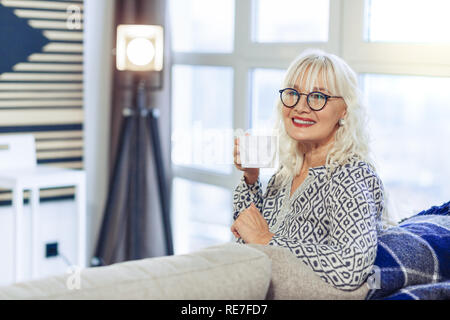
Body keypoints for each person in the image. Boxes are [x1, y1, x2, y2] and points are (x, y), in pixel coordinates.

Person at [231, 49, 385, 291]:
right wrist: (251, 177)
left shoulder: (351, 175)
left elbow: (352, 267)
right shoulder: (289, 167)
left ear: (344, 109)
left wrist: (266, 239)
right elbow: (245, 235)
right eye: (293, 93)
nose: (300, 107)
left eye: (317, 97)